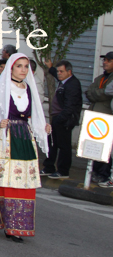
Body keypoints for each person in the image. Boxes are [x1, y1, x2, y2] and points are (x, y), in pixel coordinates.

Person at [0, 54, 51, 242]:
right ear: (11, 68)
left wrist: (43, 128)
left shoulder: (29, 89)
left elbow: (33, 117)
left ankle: (17, 224)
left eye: (26, 66)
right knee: (5, 180)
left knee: (24, 181)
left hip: (24, 138)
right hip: (5, 139)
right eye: (19, 66)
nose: (23, 70)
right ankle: (7, 223)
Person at [41, 59, 82, 180]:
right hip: (57, 117)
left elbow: (70, 106)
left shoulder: (72, 84)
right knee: (52, 143)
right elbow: (56, 74)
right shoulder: (64, 80)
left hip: (65, 119)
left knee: (64, 146)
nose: (59, 74)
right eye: (58, 71)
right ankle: (49, 167)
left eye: (61, 71)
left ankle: (63, 171)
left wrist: (60, 119)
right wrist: (51, 68)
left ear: (69, 72)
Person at [88, 52, 113, 184]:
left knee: (106, 148)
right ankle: (95, 172)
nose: (105, 62)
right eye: (104, 60)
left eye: (108, 60)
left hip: (107, 117)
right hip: (95, 117)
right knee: (95, 146)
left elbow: (107, 93)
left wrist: (97, 93)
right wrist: (99, 93)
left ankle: (104, 174)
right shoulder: (100, 78)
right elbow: (89, 92)